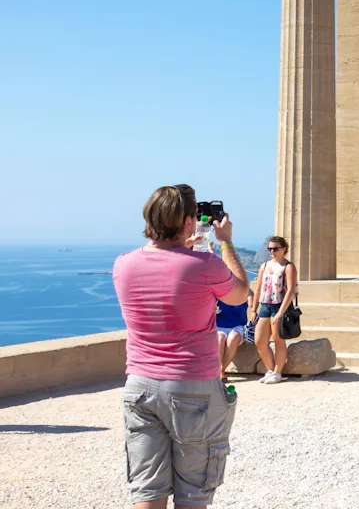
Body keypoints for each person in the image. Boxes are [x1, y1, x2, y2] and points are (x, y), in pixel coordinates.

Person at [113, 184, 250, 509]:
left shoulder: (123, 265)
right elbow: (241, 293)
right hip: (193, 388)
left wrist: (182, 245)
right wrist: (226, 242)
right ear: (189, 222)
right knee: (192, 495)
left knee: (147, 492)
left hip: (140, 386)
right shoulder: (204, 266)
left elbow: (161, 265)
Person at [249, 236, 297, 385]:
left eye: (275, 248)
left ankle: (277, 372)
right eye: (269, 248)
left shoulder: (288, 267)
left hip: (280, 305)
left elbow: (290, 291)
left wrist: (280, 312)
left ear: (283, 249)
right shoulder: (264, 266)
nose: (272, 251)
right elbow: (258, 288)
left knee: (278, 340)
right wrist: (253, 309)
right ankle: (270, 370)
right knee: (259, 340)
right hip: (265, 305)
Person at [214, 289, 249, 380]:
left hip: (237, 326)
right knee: (220, 339)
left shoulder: (243, 292)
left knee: (233, 338)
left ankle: (222, 370)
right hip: (220, 325)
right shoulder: (217, 292)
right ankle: (218, 371)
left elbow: (250, 295)